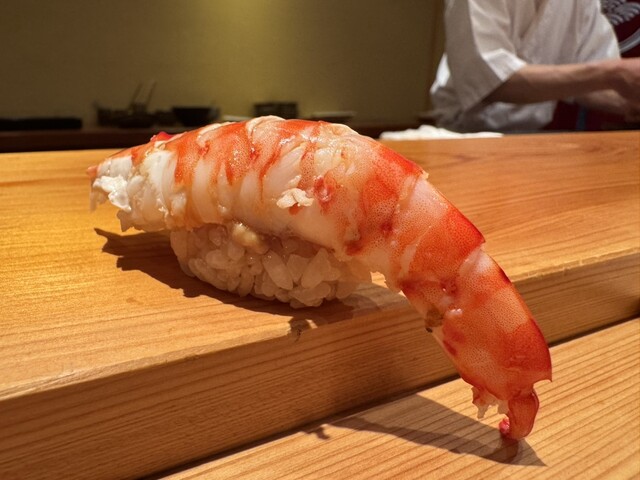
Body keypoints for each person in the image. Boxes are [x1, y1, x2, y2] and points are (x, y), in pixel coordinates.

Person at [429, 0, 640, 132]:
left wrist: (630, 101)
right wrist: (612, 74)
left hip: (534, 137)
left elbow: (593, 80)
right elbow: (491, 81)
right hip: (464, 135)